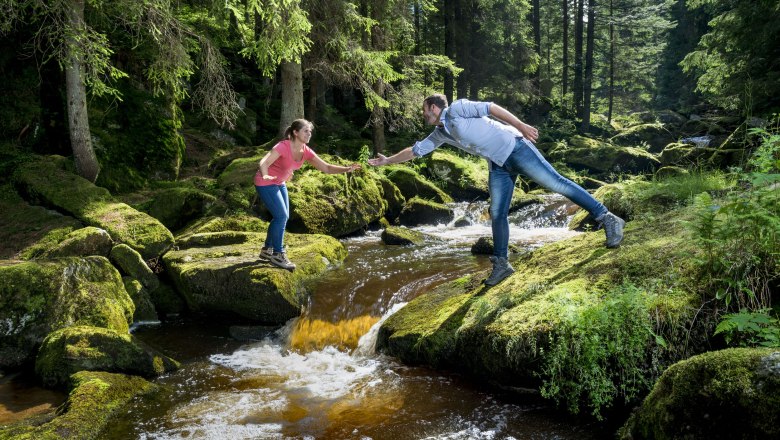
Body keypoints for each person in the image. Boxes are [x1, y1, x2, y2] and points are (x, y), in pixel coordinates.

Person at [368, 94, 625, 286]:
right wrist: (387, 161)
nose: (423, 116)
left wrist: (522, 126)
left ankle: (608, 218)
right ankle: (502, 264)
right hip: (498, 163)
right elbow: (415, 150)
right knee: (497, 212)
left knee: (557, 183)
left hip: (516, 147)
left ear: (434, 108)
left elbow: (491, 108)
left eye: (425, 111)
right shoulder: (440, 133)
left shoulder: (457, 108)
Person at [256, 119, 361, 271]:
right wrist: (265, 175)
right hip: (265, 182)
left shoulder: (306, 151)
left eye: (310, 131)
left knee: (281, 217)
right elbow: (263, 162)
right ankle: (278, 254)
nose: (309, 134)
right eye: (306, 131)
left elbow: (326, 167)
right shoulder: (282, 146)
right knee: (281, 217)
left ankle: (267, 249)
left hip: (280, 183)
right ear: (295, 132)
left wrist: (347, 169)